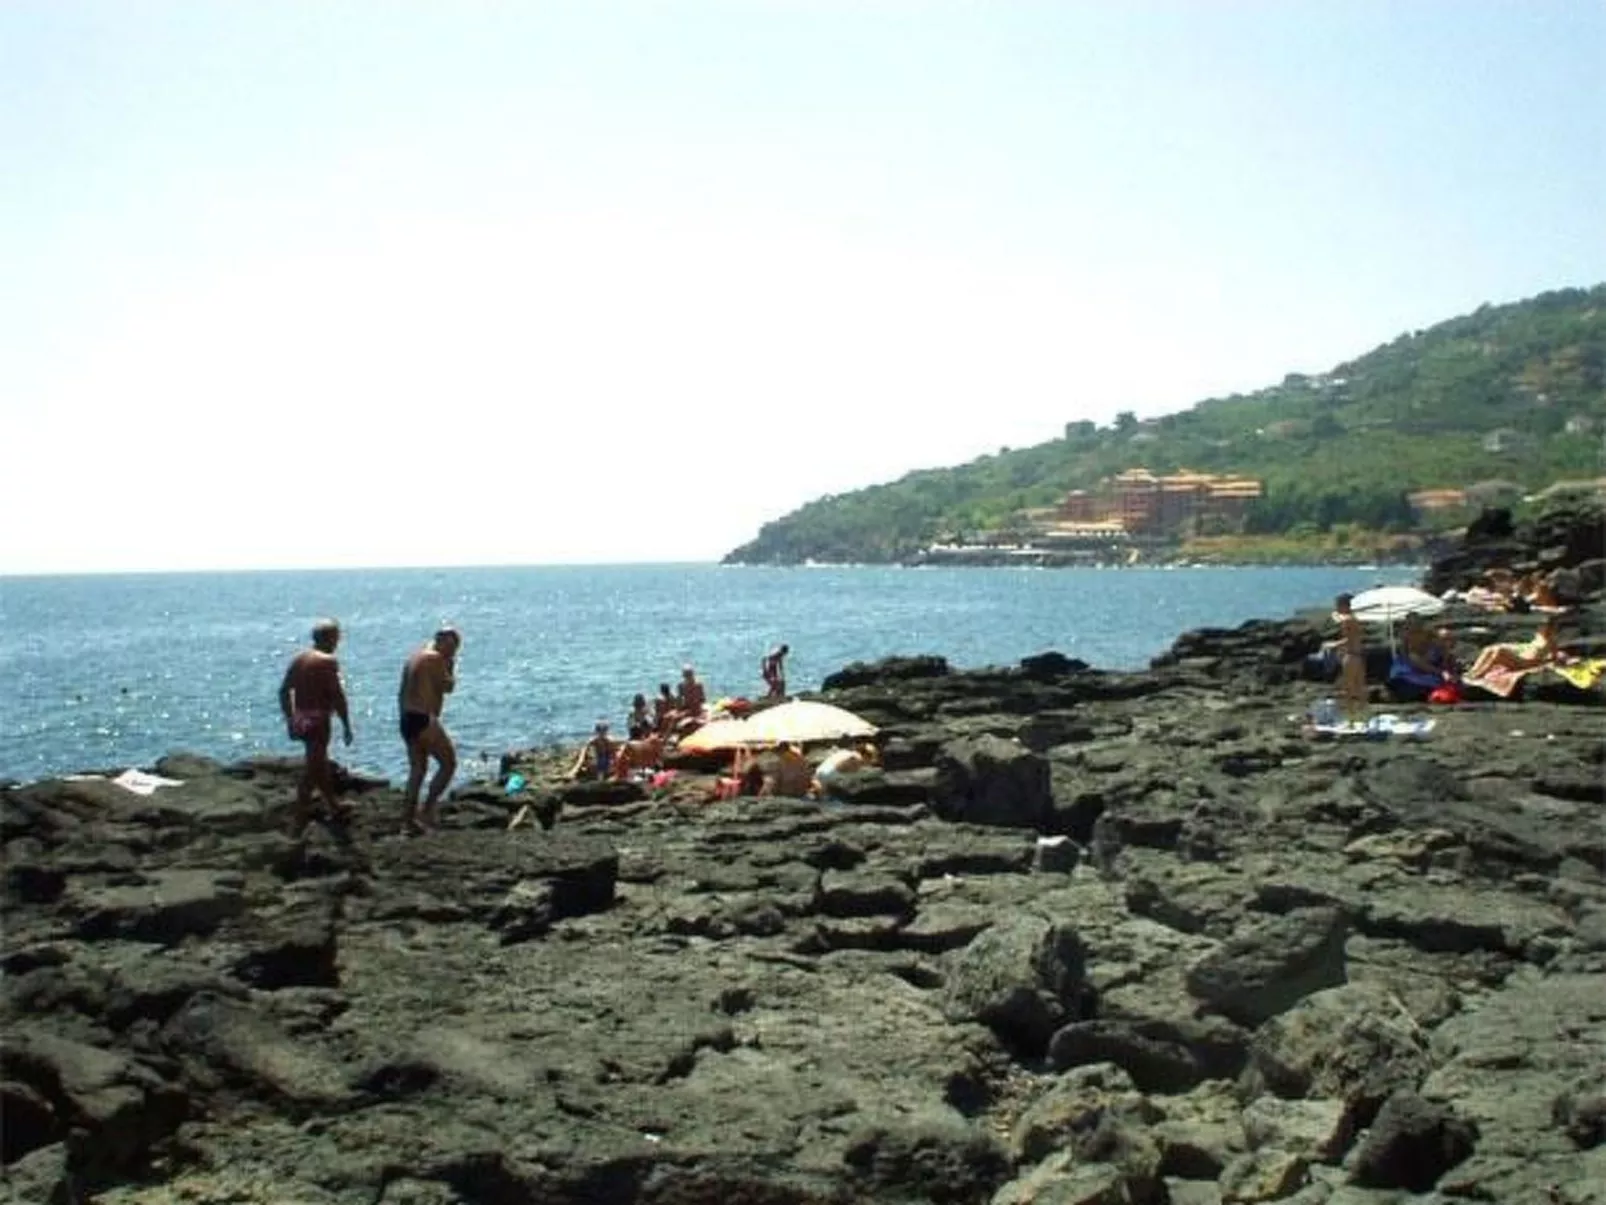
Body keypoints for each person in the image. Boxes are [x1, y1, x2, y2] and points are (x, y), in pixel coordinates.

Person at [278, 619, 353, 835]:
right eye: (336, 638)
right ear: (330, 639)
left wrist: (291, 718)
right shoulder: (327, 661)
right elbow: (336, 695)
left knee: (318, 764)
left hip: (302, 716)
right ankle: (299, 818)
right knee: (313, 769)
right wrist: (346, 724)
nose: (338, 642)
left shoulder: (299, 659)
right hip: (318, 718)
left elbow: (284, 691)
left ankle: (333, 805)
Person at [398, 626, 461, 833]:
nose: (452, 652)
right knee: (448, 763)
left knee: (418, 770)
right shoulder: (435, 659)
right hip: (423, 717)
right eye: (451, 647)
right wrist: (450, 667)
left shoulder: (414, 657)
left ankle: (408, 820)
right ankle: (427, 810)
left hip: (407, 719)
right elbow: (448, 687)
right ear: (441, 642)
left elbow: (402, 692)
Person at [1466, 616, 1570, 680]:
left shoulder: (1551, 641)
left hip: (1525, 663)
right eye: (1543, 626)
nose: (1543, 628)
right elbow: (1527, 647)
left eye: (1547, 627)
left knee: (1499, 651)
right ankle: (1474, 670)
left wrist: (1546, 662)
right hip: (1520, 657)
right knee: (1489, 649)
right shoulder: (1538, 636)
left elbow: (1553, 657)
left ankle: (1481, 673)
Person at [1332, 593, 1367, 721]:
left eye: (1337, 606)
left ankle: (1351, 716)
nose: (1336, 608)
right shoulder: (1354, 618)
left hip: (1351, 656)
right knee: (1360, 686)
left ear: (1344, 606)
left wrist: (1333, 644)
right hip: (1358, 656)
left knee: (1349, 687)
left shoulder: (1347, 620)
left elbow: (1348, 639)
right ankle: (1364, 714)